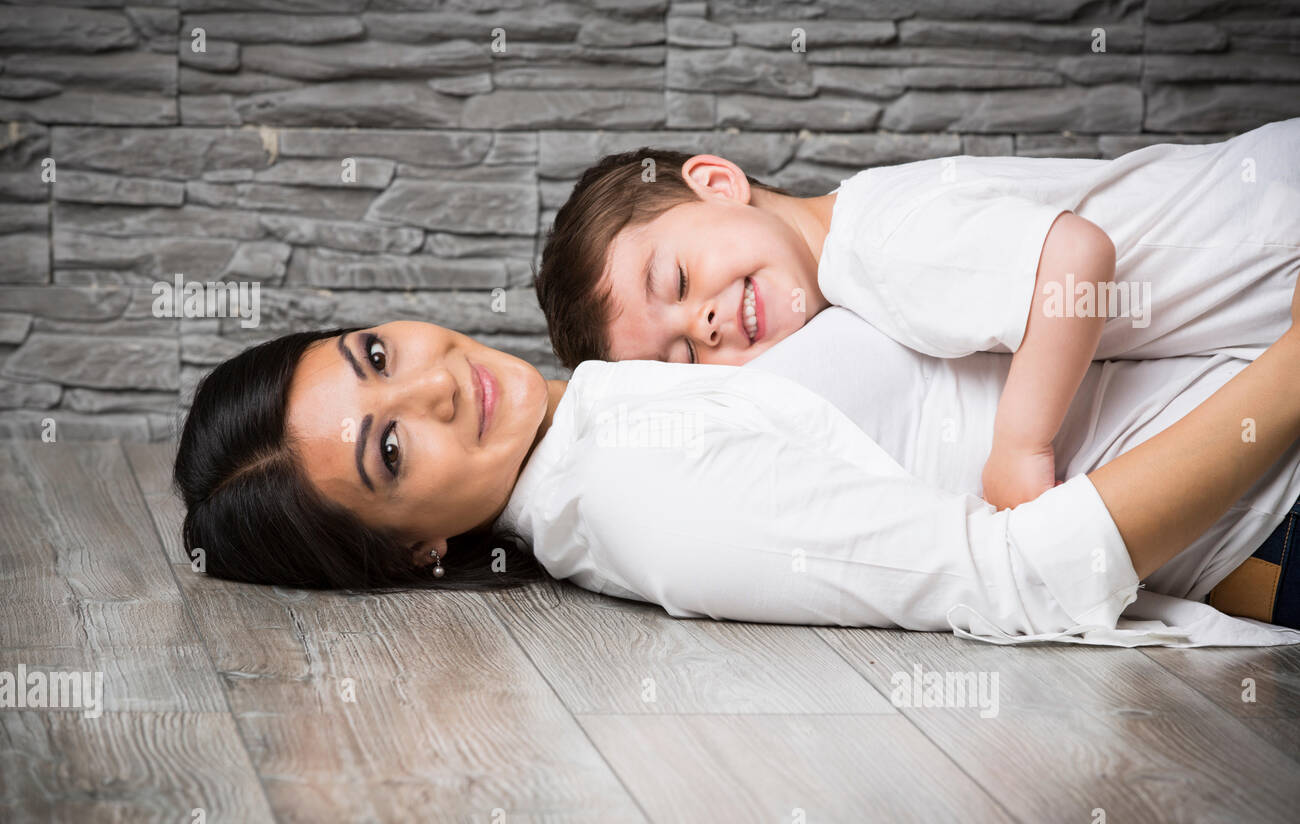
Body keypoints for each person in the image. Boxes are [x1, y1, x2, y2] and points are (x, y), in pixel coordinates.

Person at [172, 279, 1300, 648]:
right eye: (388, 446)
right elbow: (1021, 575)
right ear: (417, 544)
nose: (426, 383)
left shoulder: (602, 399)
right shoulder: (647, 498)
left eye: (374, 352)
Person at [533, 119, 1300, 510]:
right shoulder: (862, 244)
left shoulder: (876, 241)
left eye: (677, 278)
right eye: (682, 360)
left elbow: (1075, 261)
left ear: (718, 182)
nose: (702, 326)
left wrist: (1020, 447)